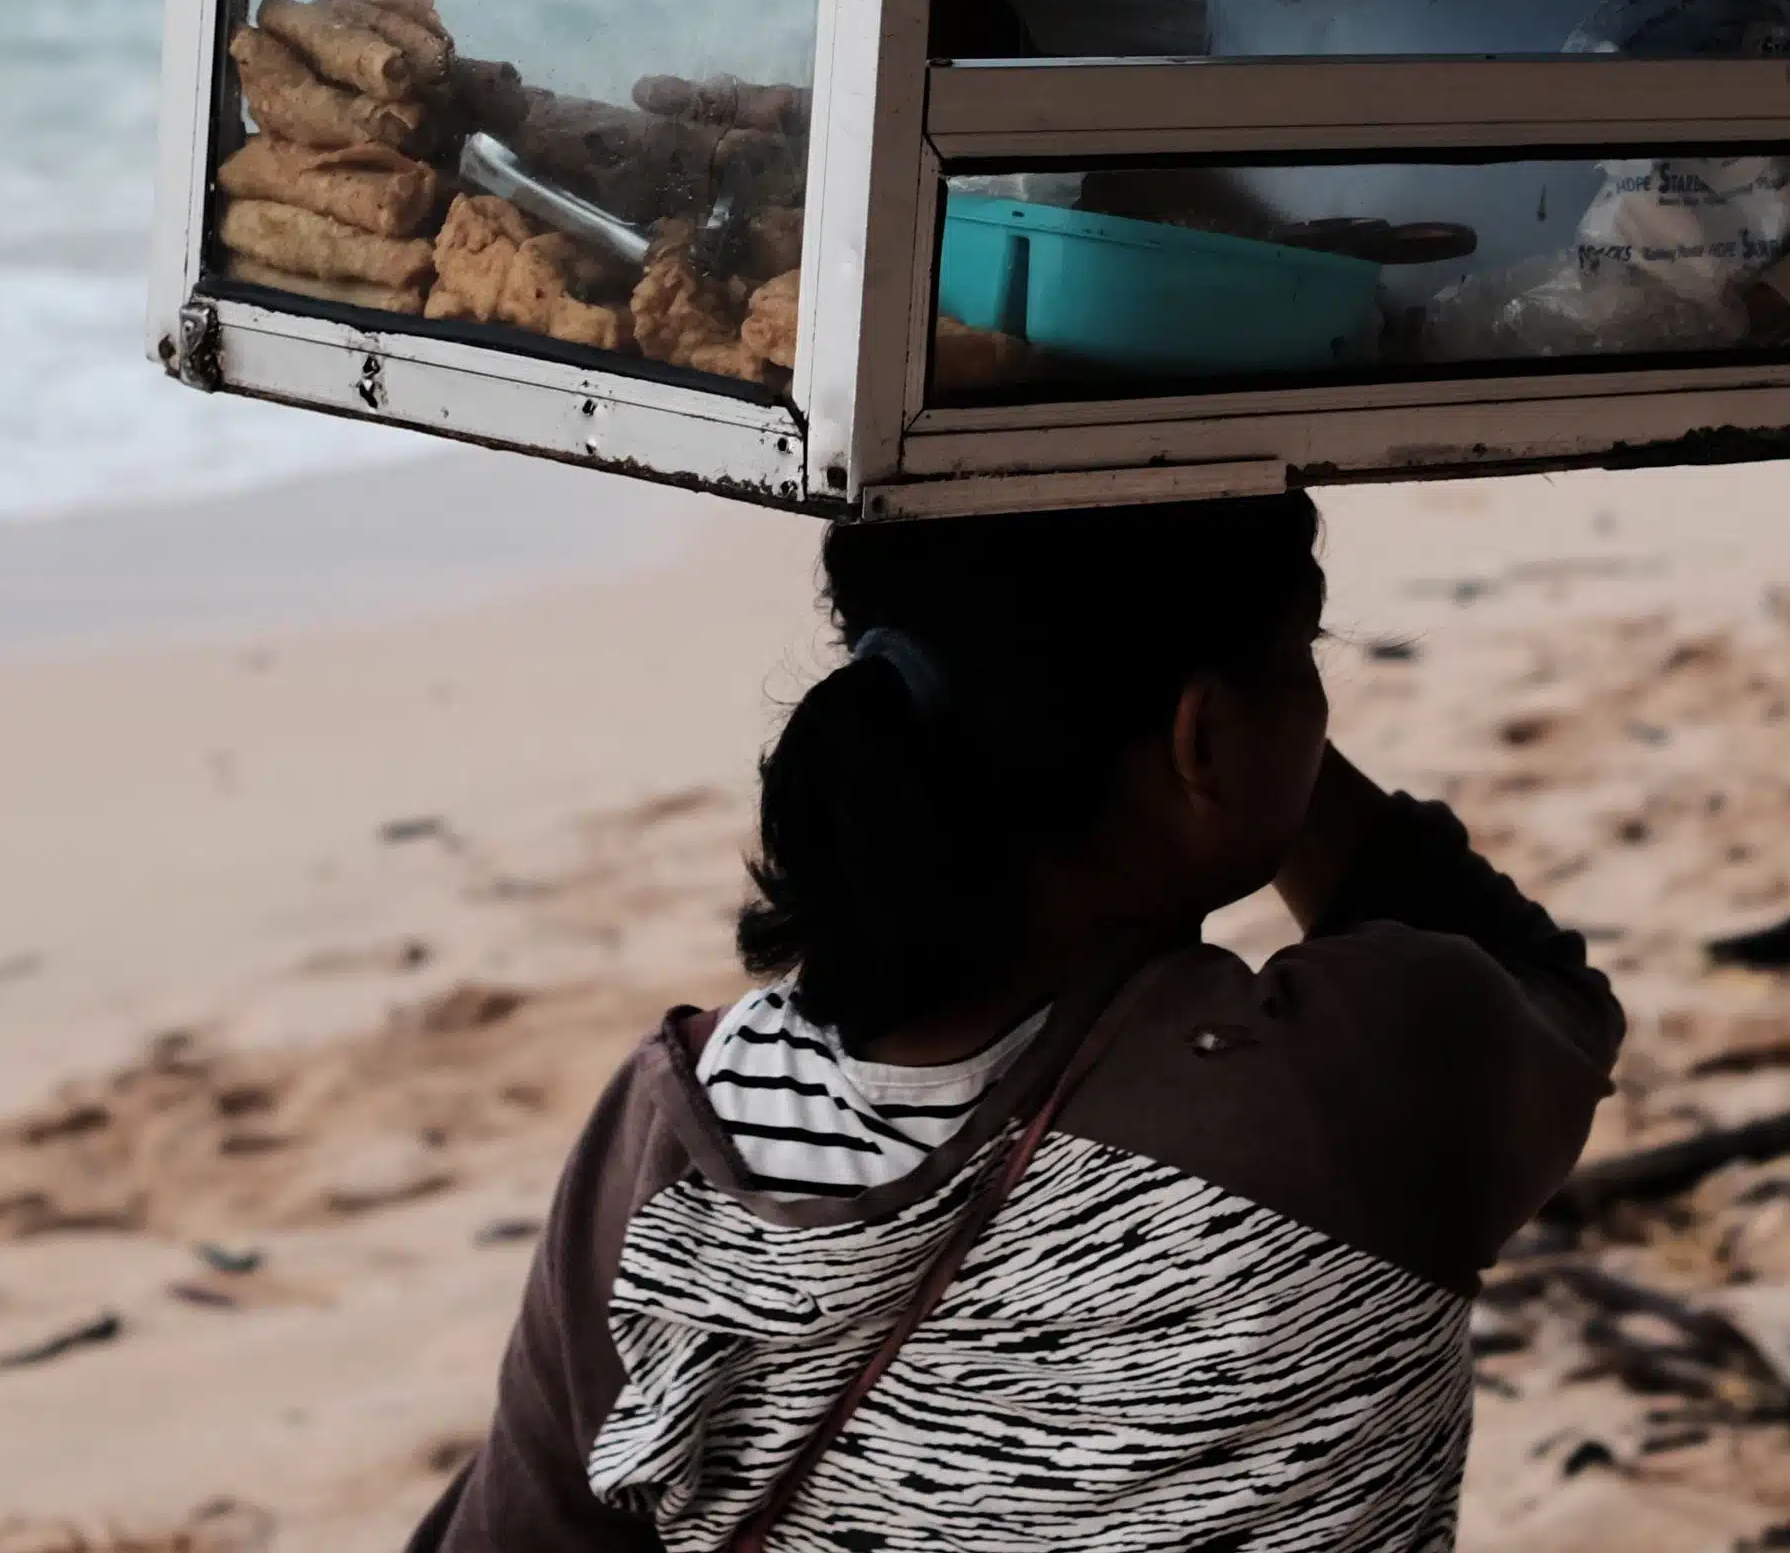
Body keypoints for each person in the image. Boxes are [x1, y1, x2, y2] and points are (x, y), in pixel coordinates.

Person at [410, 489, 1618, 1551]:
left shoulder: (680, 1117)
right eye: (1303, 653)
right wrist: (1262, 775)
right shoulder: (1356, 1078)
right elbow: (1542, 983)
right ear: (1201, 737)